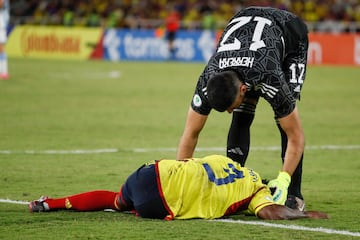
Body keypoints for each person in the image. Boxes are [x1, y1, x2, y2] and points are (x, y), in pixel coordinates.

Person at [177, 7, 309, 210]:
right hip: (247, 29)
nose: (229, 111)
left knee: (285, 119)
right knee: (241, 115)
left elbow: (296, 135)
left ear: (243, 89)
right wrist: (181, 180)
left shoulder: (269, 76)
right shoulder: (208, 77)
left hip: (290, 32)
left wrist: (283, 179)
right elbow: (191, 133)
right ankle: (236, 184)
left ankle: (294, 194)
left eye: (229, 106)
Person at [29, 155, 327, 220]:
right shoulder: (258, 193)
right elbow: (272, 212)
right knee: (128, 205)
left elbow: (188, 159)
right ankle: (135, 208)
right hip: (162, 203)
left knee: (117, 199)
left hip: (151, 172)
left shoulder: (226, 161)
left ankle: (49, 203)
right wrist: (305, 215)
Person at [0, 0, 9, 80]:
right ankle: (2, 72)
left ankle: (4, 72)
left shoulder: (3, 4)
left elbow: (1, 3)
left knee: (1, 49)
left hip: (1, 27)